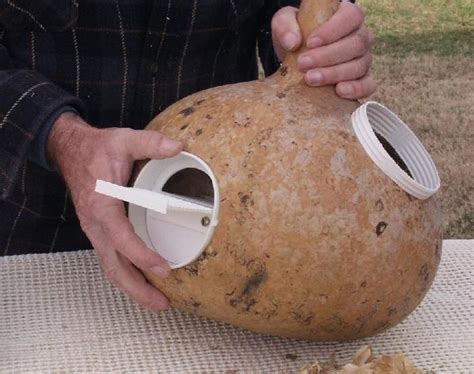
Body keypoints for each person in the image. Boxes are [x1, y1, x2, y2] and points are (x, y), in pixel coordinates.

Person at [0, 0, 375, 312]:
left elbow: (291, 11)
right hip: (34, 240)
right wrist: (65, 139)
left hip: (220, 243)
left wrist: (309, 45)